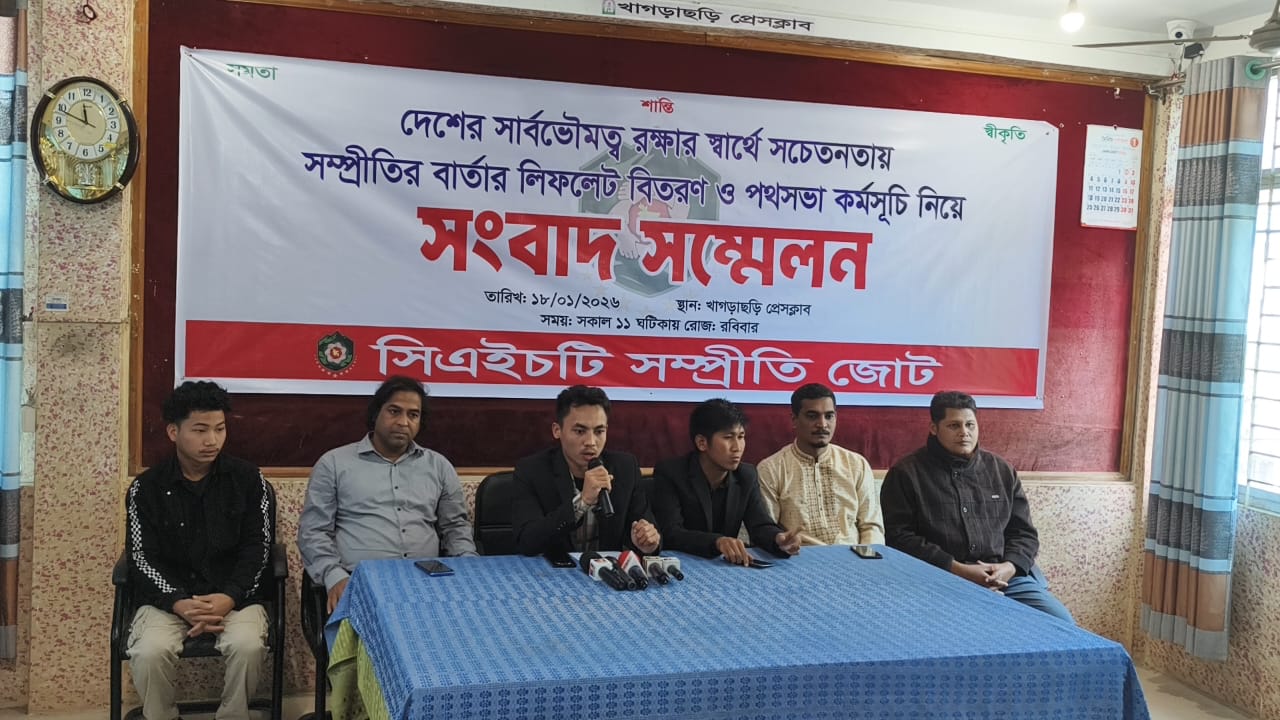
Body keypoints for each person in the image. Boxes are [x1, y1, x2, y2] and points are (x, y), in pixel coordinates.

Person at [125, 381, 274, 720]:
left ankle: (233, 716)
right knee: (149, 652)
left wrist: (230, 596)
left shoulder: (249, 480)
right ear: (173, 432)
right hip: (169, 600)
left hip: (235, 597)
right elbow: (141, 558)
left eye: (220, 429)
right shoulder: (146, 488)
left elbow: (259, 549)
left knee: (248, 646)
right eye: (200, 430)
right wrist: (178, 601)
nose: (212, 440)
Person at [880, 391, 1073, 621]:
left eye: (970, 425)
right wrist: (957, 569)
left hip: (1005, 578)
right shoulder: (906, 473)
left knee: (1062, 623)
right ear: (934, 428)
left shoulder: (1001, 471)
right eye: (954, 425)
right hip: (937, 578)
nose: (964, 432)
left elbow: (1024, 534)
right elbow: (898, 538)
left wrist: (1008, 568)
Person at [298, 376, 477, 613]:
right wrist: (334, 576)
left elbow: (455, 527)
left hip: (429, 583)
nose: (403, 422)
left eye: (413, 415)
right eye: (394, 411)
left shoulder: (439, 466)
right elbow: (313, 532)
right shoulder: (333, 463)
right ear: (376, 414)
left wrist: (469, 566)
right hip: (359, 583)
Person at [511, 385, 661, 556]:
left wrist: (646, 543)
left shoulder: (625, 468)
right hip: (554, 569)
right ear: (557, 430)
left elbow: (648, 531)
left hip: (606, 570)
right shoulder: (532, 470)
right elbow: (527, 542)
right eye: (580, 431)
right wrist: (582, 502)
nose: (591, 442)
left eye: (599, 431)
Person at [652, 398, 801, 565]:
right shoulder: (671, 473)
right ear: (702, 442)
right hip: (682, 563)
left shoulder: (746, 475)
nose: (737, 447)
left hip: (724, 566)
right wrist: (717, 542)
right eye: (728, 437)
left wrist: (778, 538)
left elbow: (759, 525)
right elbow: (671, 532)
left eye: (741, 436)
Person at [757, 383, 884, 546]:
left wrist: (867, 557)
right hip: (799, 557)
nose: (822, 424)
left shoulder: (856, 465)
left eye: (829, 416)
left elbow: (871, 527)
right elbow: (767, 531)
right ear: (794, 420)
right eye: (812, 416)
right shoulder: (771, 469)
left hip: (853, 557)